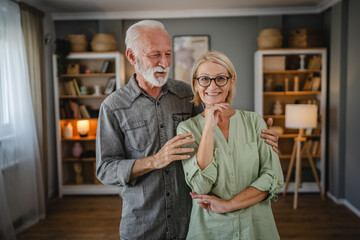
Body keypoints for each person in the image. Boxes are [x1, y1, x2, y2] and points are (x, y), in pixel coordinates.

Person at [96, 20, 280, 240]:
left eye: (168, 54)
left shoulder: (187, 95)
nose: (164, 62)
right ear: (132, 57)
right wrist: (155, 160)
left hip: (190, 220)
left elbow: (215, 134)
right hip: (143, 223)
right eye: (155, 55)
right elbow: (105, 169)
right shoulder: (113, 106)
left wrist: (262, 141)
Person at [177, 51, 284, 240]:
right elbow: (200, 186)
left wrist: (230, 205)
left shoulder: (254, 122)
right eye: (204, 79)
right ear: (195, 84)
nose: (212, 85)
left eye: (220, 78)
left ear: (231, 82)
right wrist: (208, 129)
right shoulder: (187, 129)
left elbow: (272, 177)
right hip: (210, 230)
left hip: (256, 227)